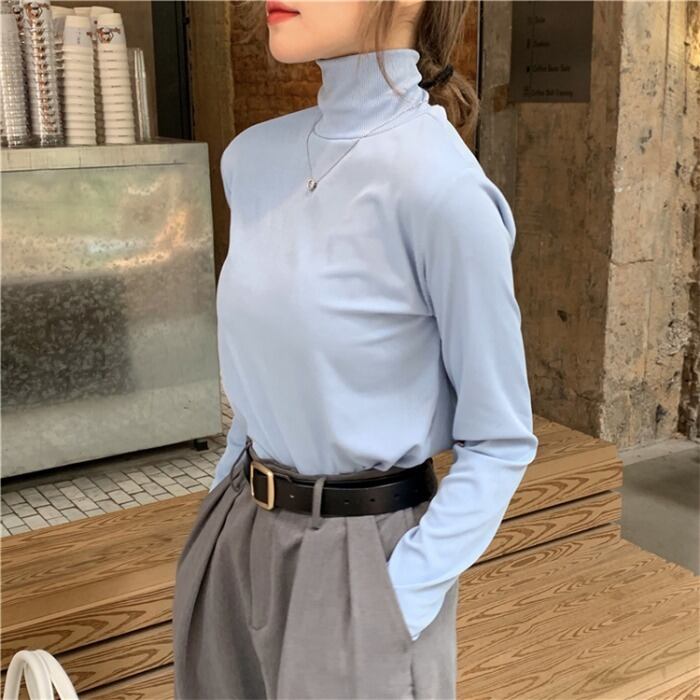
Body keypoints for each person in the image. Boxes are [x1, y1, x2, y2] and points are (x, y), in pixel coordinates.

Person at [172, 1, 539, 698]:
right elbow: (272, 364)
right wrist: (221, 504)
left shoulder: (442, 191)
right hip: (237, 532)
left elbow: (500, 442)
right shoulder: (251, 160)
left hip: (364, 559)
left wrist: (398, 597)